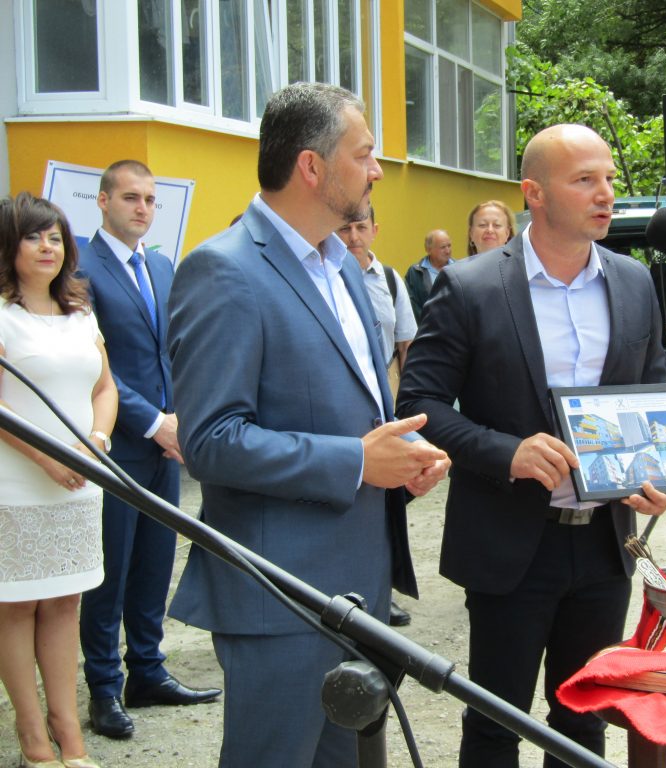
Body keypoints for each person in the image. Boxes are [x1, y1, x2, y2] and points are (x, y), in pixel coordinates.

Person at [166, 82, 449, 768]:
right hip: (280, 596)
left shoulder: (343, 268)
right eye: (365, 154)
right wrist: (356, 461)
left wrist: (403, 450)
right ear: (312, 166)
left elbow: (351, 407)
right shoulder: (223, 270)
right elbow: (209, 440)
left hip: (357, 588)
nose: (377, 170)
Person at [397, 123, 666, 768]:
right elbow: (419, 404)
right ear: (535, 193)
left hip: (605, 542)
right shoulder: (470, 286)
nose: (605, 194)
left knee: (584, 720)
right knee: (496, 722)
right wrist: (506, 451)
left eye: (608, 179)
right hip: (510, 542)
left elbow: (654, 387)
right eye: (585, 180)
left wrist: (654, 466)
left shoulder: (634, 281)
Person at [76, 160, 221, 741]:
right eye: (130, 198)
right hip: (117, 441)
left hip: (166, 445)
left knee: (155, 562)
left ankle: (148, 670)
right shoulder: (81, 268)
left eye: (151, 200)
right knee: (109, 571)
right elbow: (92, 364)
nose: (143, 209)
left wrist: (181, 417)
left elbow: (174, 351)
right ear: (103, 201)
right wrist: (154, 421)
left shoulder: (161, 265)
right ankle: (104, 687)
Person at [0, 192, 117, 768]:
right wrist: (48, 458)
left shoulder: (80, 312)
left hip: (80, 480)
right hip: (17, 483)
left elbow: (105, 387)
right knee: (17, 607)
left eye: (54, 237)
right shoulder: (2, 314)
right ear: (9, 246)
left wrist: (95, 442)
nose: (47, 247)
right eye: (33, 236)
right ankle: (33, 740)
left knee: (66, 602)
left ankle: (69, 735)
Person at [337, 205, 418, 627]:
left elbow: (406, 343)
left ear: (374, 230)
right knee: (348, 489)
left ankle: (381, 591)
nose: (353, 236)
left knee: (387, 499)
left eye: (361, 227)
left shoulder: (389, 278)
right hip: (341, 396)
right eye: (345, 228)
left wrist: (406, 402)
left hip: (384, 390)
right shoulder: (329, 275)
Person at [405, 228, 454, 321]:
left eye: (449, 246)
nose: (448, 251)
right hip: (427, 326)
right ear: (428, 249)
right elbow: (412, 304)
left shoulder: (459, 269)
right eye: (443, 247)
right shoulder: (415, 272)